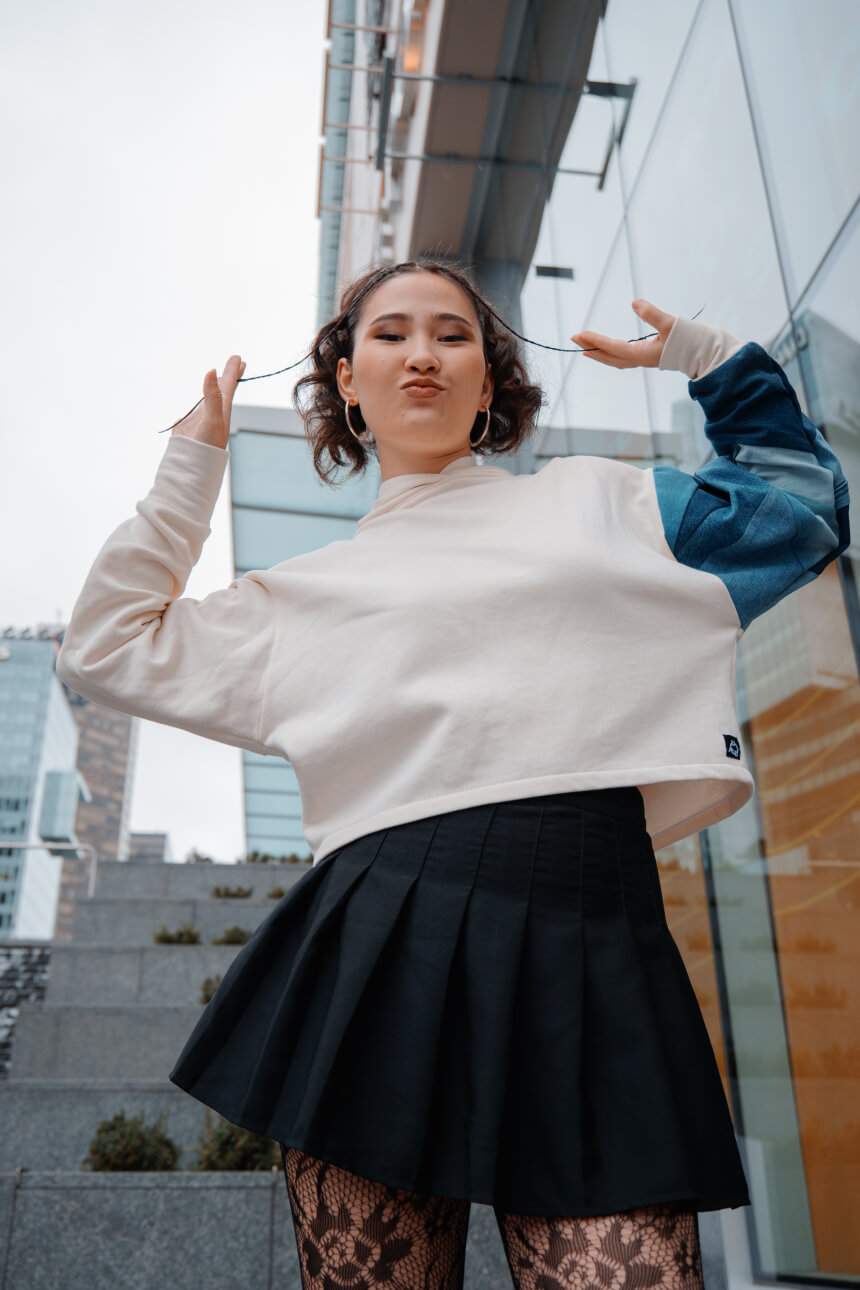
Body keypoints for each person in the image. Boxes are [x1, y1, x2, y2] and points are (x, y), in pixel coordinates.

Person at [55, 259, 849, 1290]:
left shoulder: (608, 504)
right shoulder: (302, 595)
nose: (420, 353)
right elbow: (107, 644)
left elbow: (799, 506)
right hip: (385, 947)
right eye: (387, 334)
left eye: (452, 333)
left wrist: (707, 361)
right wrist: (187, 475)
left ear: (490, 379)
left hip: (593, 940)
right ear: (344, 378)